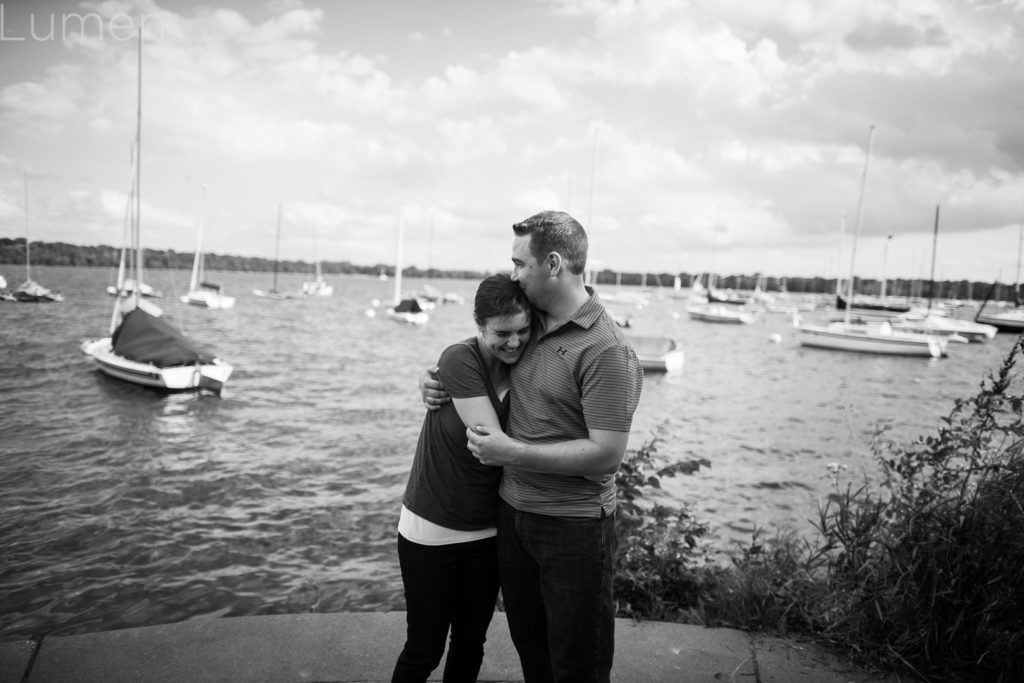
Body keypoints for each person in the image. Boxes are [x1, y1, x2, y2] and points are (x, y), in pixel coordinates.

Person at [421, 210, 644, 683]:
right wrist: (436, 379)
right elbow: (484, 346)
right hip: (513, 517)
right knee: (534, 657)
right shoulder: (532, 323)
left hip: (573, 530)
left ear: (554, 264)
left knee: (576, 665)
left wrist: (511, 453)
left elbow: (606, 454)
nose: (514, 273)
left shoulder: (606, 349)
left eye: (520, 263)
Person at [392, 273, 532, 683]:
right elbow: (490, 446)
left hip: (489, 534)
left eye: (523, 330)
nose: (514, 342)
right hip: (430, 530)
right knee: (424, 649)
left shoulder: (530, 365)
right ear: (479, 326)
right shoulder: (457, 359)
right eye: (502, 333)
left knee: (471, 644)